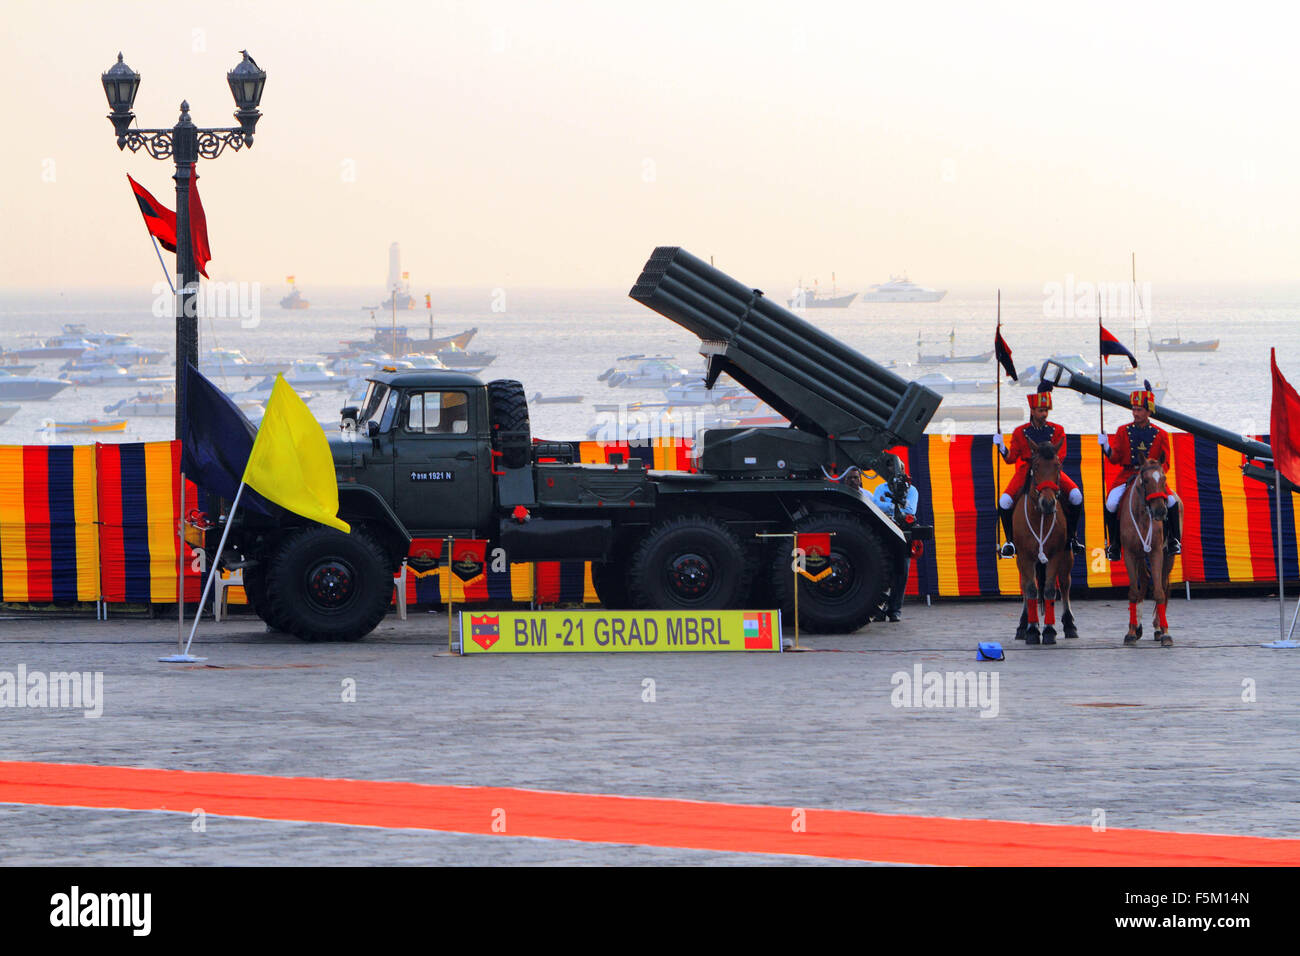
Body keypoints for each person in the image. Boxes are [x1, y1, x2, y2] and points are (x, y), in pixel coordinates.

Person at [993, 383, 1084, 557]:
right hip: (1026, 470)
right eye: (1040, 411)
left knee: (1076, 496)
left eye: (1046, 411)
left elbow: (1061, 455)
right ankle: (1010, 542)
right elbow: (1010, 458)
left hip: (1050, 470)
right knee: (1004, 501)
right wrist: (1002, 446)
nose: (1043, 414)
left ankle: (1072, 537)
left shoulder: (1058, 430)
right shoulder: (1020, 432)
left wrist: (1049, 464)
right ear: (1032, 411)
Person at [1098, 387, 1181, 560]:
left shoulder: (1161, 434)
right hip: (1128, 475)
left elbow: (1165, 464)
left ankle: (1174, 540)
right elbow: (1115, 458)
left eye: (1139, 409)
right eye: (1133, 409)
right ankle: (1114, 544)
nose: (1135, 413)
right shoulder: (1123, 431)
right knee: (1112, 503)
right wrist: (1106, 447)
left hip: (1152, 479)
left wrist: (1154, 475)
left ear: (1148, 411)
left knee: (1172, 501)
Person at [872, 471, 919, 622]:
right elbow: (876, 506)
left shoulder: (911, 490)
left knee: (902, 571)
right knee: (882, 570)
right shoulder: (880, 487)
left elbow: (910, 511)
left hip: (903, 534)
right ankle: (879, 608)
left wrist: (888, 506)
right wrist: (897, 505)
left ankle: (895, 609)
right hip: (884, 533)